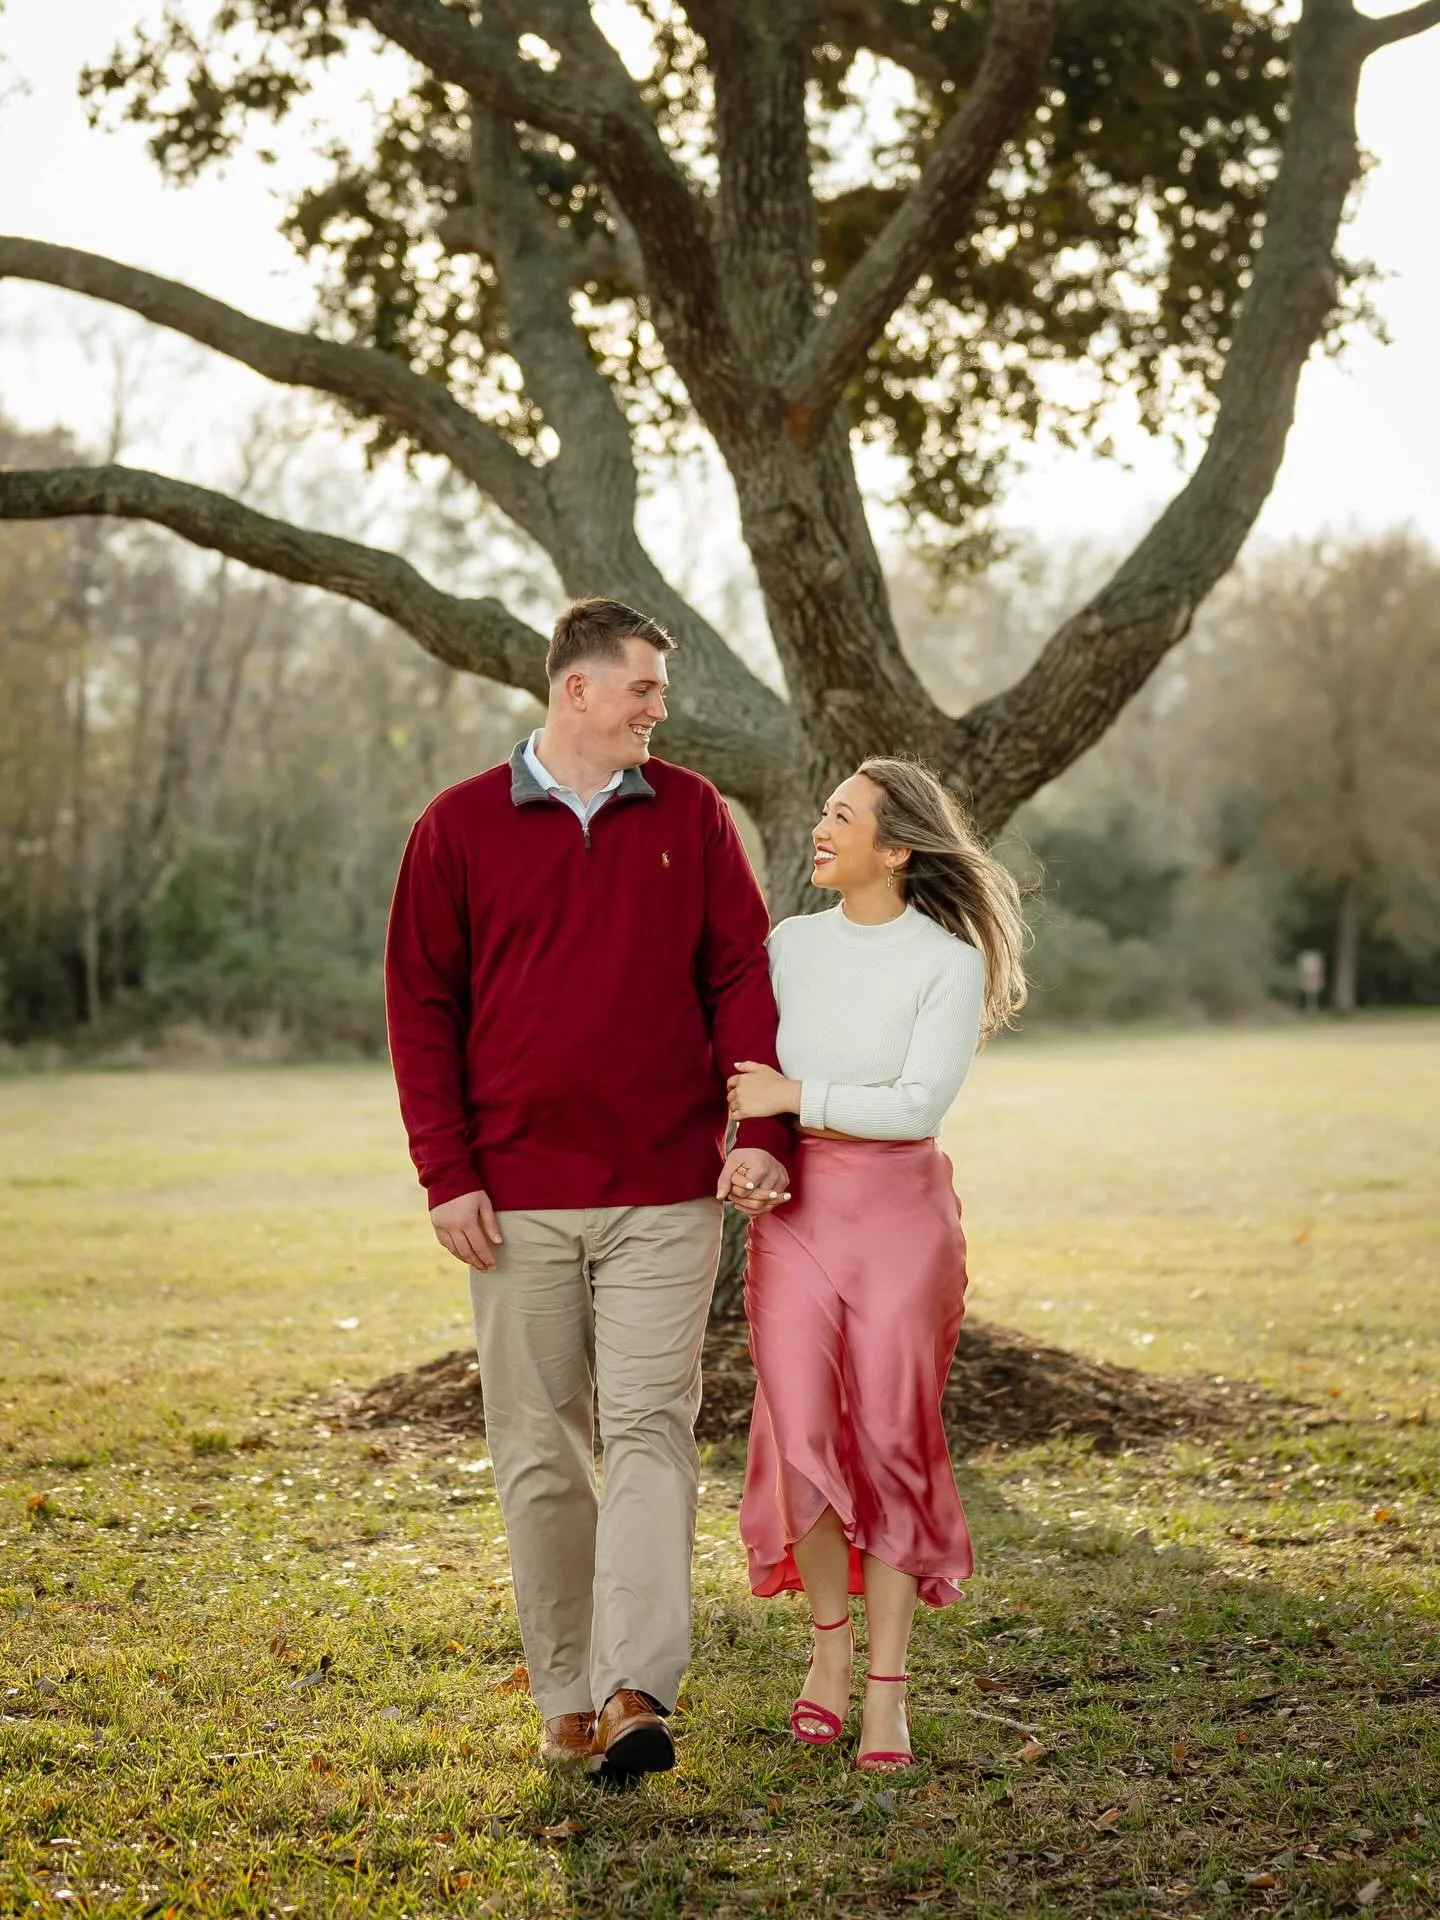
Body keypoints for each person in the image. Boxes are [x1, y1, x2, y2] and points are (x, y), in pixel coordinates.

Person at [384, 597, 791, 1778]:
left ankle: (634, 1689)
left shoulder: (694, 815)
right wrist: (446, 1173)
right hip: (512, 1202)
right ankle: (564, 1690)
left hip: (667, 1189)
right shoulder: (457, 825)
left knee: (653, 1431)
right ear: (576, 688)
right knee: (541, 1448)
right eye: (643, 691)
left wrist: (756, 1127)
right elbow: (421, 1008)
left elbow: (738, 976)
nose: (659, 712)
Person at [726, 757, 1026, 1771]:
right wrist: (755, 1145)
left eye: (842, 817)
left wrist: (792, 1096)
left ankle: (888, 1691)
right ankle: (827, 1654)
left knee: (894, 1437)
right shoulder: (789, 944)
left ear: (894, 848)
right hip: (798, 1216)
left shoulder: (945, 963)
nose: (822, 827)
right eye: (825, 811)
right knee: (797, 1430)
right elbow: (746, 1083)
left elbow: (915, 1106)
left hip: (901, 1219)